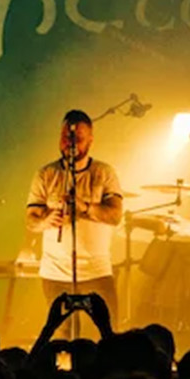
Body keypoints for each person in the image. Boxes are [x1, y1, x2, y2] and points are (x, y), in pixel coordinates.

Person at [21, 110, 125, 324]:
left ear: (90, 140)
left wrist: (85, 207)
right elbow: (30, 220)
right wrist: (44, 221)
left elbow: (115, 215)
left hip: (96, 272)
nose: (71, 142)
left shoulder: (104, 173)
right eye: (66, 137)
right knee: (62, 340)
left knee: (108, 336)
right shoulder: (45, 174)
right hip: (55, 274)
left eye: (77, 138)